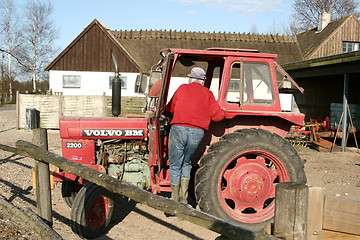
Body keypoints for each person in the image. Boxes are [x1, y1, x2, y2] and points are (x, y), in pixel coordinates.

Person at [164, 67, 225, 203]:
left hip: (178, 129)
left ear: (191, 78)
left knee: (175, 165)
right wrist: (224, 112)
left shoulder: (182, 88)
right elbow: (217, 115)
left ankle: (174, 201)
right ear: (203, 81)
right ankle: (184, 200)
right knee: (186, 164)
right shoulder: (207, 93)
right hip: (197, 132)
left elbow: (170, 108)